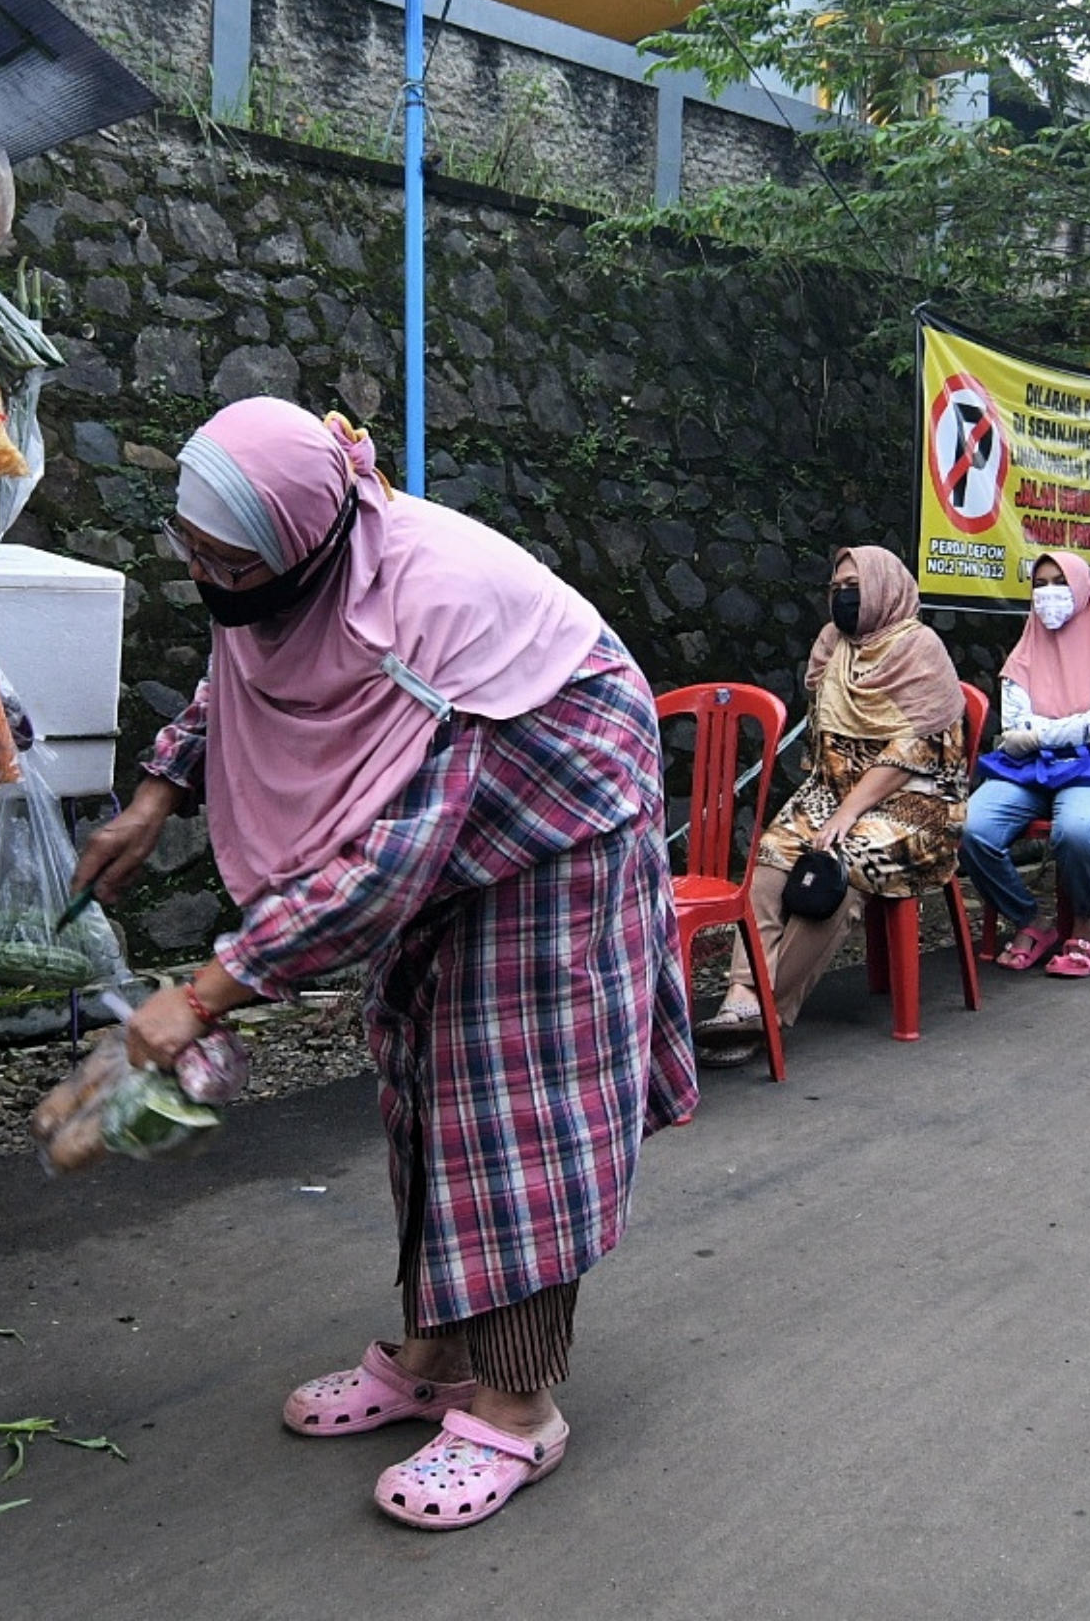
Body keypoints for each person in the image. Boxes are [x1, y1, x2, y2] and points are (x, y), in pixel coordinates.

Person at [72, 398, 695, 1534]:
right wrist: (158, 792)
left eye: (228, 557)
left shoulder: (424, 613)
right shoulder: (306, 569)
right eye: (190, 547)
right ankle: (436, 1356)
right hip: (446, 810)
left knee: (513, 1103)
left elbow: (374, 877)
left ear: (301, 541)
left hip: (563, 810)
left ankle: (518, 1407)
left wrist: (203, 993)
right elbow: (238, 674)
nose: (207, 573)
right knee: (415, 1072)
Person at [700, 545, 968, 1038]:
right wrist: (834, 804)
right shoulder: (833, 643)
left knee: (836, 869)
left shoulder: (920, 647)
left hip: (916, 802)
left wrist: (847, 812)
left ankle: (767, 1008)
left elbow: (914, 751)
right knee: (770, 857)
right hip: (834, 786)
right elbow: (825, 738)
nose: (844, 598)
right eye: (837, 589)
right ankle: (740, 995)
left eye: (856, 588)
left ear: (884, 590)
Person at [957, 550, 1090, 978]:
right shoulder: (1025, 651)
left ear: (1082, 589)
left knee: (1078, 829)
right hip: (1030, 770)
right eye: (1039, 584)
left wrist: (1043, 734)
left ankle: (1084, 922)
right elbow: (1015, 725)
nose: (1049, 594)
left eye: (1059, 583)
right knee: (971, 828)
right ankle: (1030, 920)